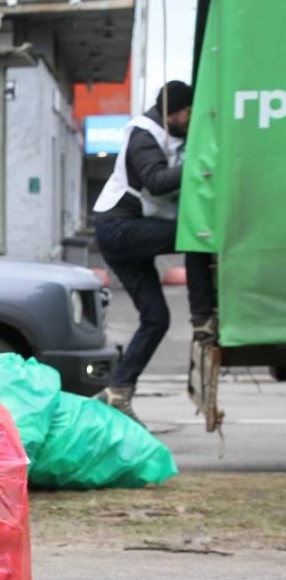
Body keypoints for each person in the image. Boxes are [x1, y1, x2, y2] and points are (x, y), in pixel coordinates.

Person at [91, 80, 217, 422]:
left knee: (156, 319)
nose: (191, 119)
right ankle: (203, 315)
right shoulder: (144, 133)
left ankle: (119, 391)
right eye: (189, 112)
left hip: (127, 233)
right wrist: (202, 167)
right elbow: (157, 180)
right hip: (118, 229)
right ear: (173, 111)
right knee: (195, 234)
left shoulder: (172, 134)